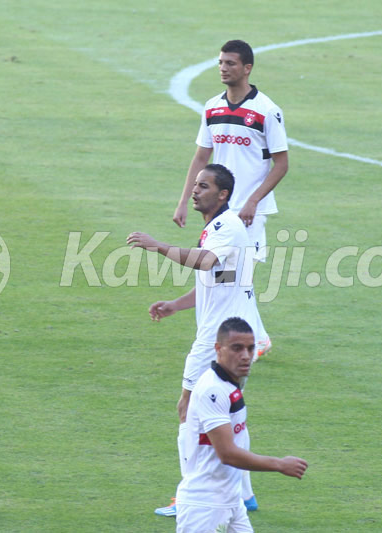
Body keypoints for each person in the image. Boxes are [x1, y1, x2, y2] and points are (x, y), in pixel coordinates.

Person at [128, 163, 264, 517]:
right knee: (230, 410)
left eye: (204, 186)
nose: (195, 190)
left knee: (188, 409)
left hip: (220, 340)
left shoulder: (226, 227)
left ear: (222, 194)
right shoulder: (220, 228)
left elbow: (205, 263)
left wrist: (158, 246)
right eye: (196, 184)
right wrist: (177, 304)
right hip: (233, 334)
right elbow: (219, 278)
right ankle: (244, 495)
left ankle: (189, 495)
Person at [172, 39, 289, 362]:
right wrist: (183, 201)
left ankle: (248, 339)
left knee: (235, 276)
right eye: (221, 63)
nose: (223, 68)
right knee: (225, 276)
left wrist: (253, 201)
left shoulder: (267, 111)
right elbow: (201, 157)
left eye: (230, 63)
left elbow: (282, 164)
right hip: (219, 209)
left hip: (249, 212)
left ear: (247, 68)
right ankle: (252, 337)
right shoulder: (212, 107)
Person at [176, 317, 307, 533]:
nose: (246, 356)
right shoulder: (213, 390)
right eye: (237, 348)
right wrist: (279, 464)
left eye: (250, 348)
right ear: (218, 349)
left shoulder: (229, 382)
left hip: (231, 499)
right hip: (206, 506)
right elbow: (227, 453)